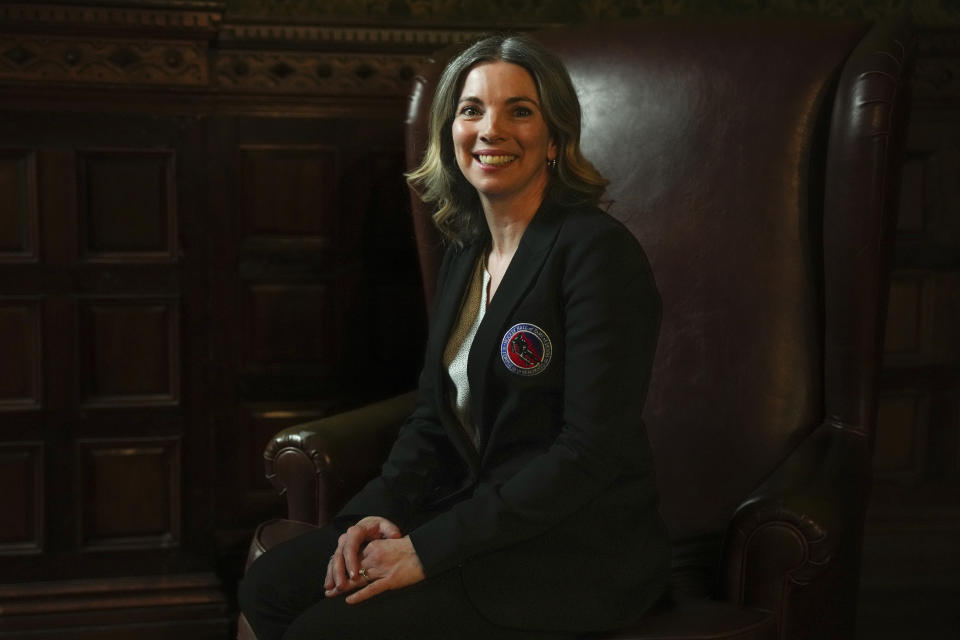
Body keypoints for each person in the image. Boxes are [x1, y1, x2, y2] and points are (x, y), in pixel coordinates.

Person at [239, 32, 669, 640]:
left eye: (519, 110)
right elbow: (432, 419)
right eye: (472, 110)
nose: (491, 129)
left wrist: (427, 550)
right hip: (478, 522)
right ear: (451, 133)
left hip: (571, 551)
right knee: (270, 587)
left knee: (325, 629)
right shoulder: (468, 250)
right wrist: (367, 518)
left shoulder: (597, 253)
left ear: (555, 137)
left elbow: (585, 455)